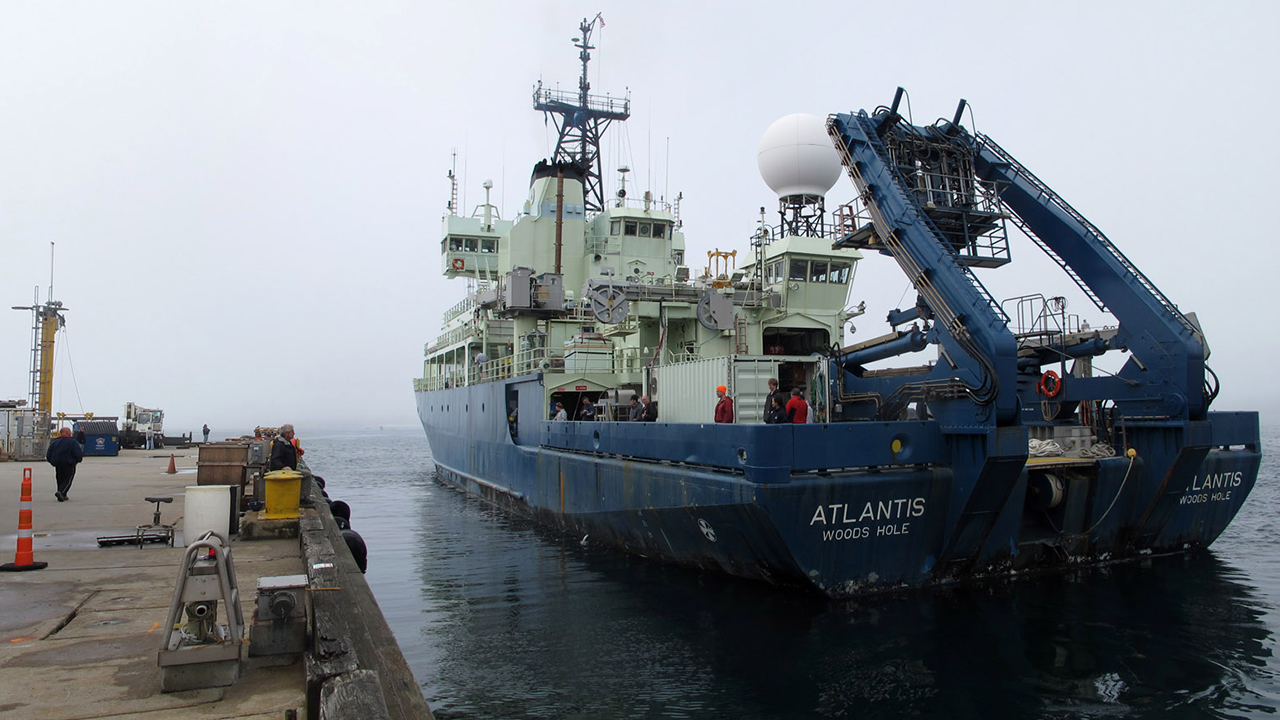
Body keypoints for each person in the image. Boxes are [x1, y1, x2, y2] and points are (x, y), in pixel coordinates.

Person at [46, 427, 84, 502]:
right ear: (68, 432)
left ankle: (62, 494)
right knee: (68, 479)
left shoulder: (55, 442)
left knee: (60, 479)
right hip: (69, 463)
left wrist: (52, 462)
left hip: (58, 463)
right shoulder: (73, 442)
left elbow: (49, 454)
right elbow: (77, 453)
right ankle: (61, 492)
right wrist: (77, 460)